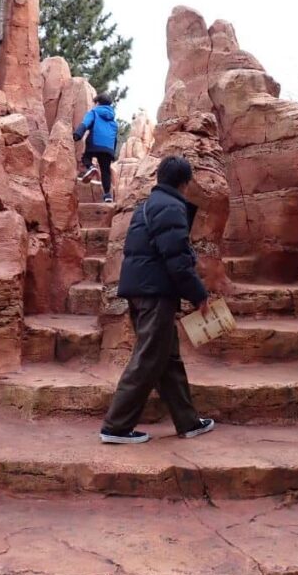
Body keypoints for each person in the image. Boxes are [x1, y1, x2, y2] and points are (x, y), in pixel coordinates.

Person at [99, 155, 216, 444]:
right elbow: (176, 258)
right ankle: (116, 427)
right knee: (148, 359)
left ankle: (188, 422)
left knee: (168, 359)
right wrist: (198, 294)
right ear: (185, 183)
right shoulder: (171, 207)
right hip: (156, 295)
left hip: (141, 291)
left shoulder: (148, 205)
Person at [73, 92, 118, 203]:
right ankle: (107, 195)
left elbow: (85, 123)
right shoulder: (113, 120)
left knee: (86, 157)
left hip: (95, 143)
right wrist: (112, 153)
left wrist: (77, 135)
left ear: (98, 103)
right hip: (108, 148)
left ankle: (90, 167)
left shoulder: (94, 112)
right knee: (105, 171)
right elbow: (115, 138)